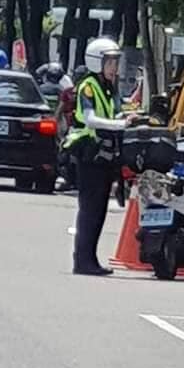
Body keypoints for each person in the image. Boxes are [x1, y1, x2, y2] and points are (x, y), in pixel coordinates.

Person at [64, 37, 129, 276]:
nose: (114, 67)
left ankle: (90, 259)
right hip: (89, 154)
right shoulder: (88, 86)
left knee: (99, 209)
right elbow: (90, 119)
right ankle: (83, 261)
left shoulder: (109, 87)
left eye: (115, 62)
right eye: (110, 62)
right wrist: (119, 124)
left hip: (104, 156)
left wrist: (130, 117)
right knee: (90, 209)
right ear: (96, 62)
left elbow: (116, 111)